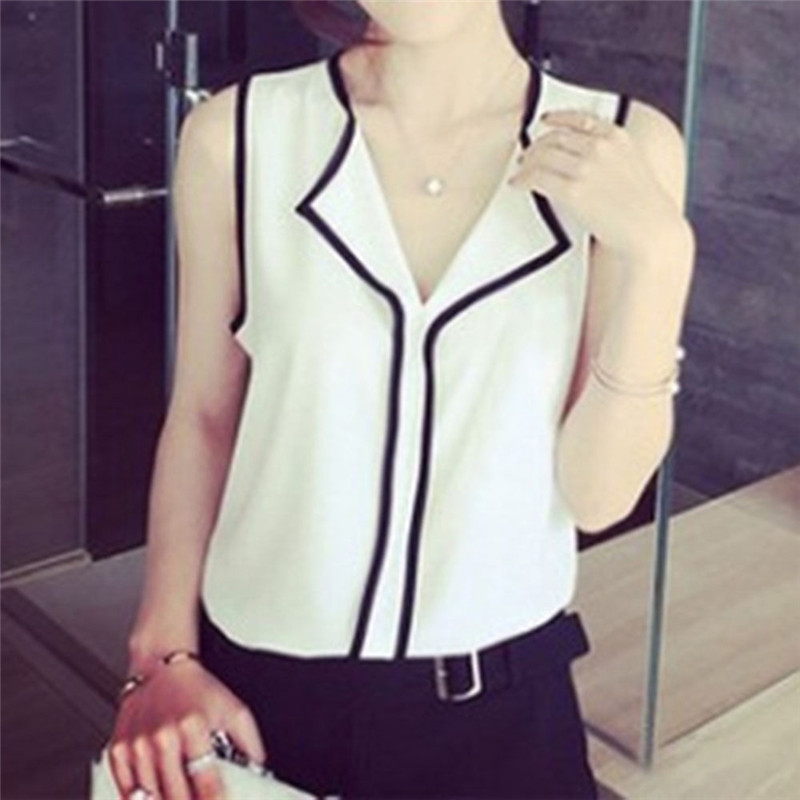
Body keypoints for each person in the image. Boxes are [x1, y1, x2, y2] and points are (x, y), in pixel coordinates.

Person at [106, 2, 695, 799]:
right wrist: (160, 658)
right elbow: (204, 416)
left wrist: (661, 258)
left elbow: (598, 496)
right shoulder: (239, 136)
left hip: (501, 716)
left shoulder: (625, 145)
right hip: (260, 704)